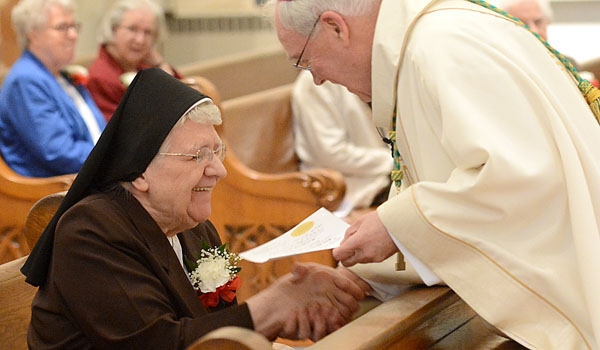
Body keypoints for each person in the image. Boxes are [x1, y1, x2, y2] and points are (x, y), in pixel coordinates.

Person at [268, 0, 600, 348]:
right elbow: (444, 184)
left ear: (337, 27)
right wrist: (361, 275)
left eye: (305, 61)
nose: (317, 79)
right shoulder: (428, 40)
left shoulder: (440, 48)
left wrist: (392, 224)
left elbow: (514, 177)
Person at [20, 68, 368, 349]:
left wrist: (285, 315)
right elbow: (160, 344)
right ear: (140, 171)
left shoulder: (191, 225)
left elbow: (213, 334)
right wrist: (274, 304)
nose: (219, 170)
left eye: (217, 152)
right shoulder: (91, 231)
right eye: (199, 155)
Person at [0, 0, 106, 177]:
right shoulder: (26, 80)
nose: (73, 35)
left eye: (74, 26)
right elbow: (60, 153)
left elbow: (97, 130)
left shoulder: (60, 76)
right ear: (33, 34)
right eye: (63, 27)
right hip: (48, 193)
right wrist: (114, 159)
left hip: (85, 177)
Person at [292, 70, 392, 211]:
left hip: (383, 173)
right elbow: (332, 153)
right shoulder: (316, 81)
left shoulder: (364, 68)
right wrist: (391, 160)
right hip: (352, 185)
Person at [87, 0, 181, 121]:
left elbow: (186, 102)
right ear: (113, 29)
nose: (140, 40)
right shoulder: (100, 77)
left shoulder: (144, 67)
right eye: (133, 29)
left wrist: (161, 64)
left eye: (148, 32)